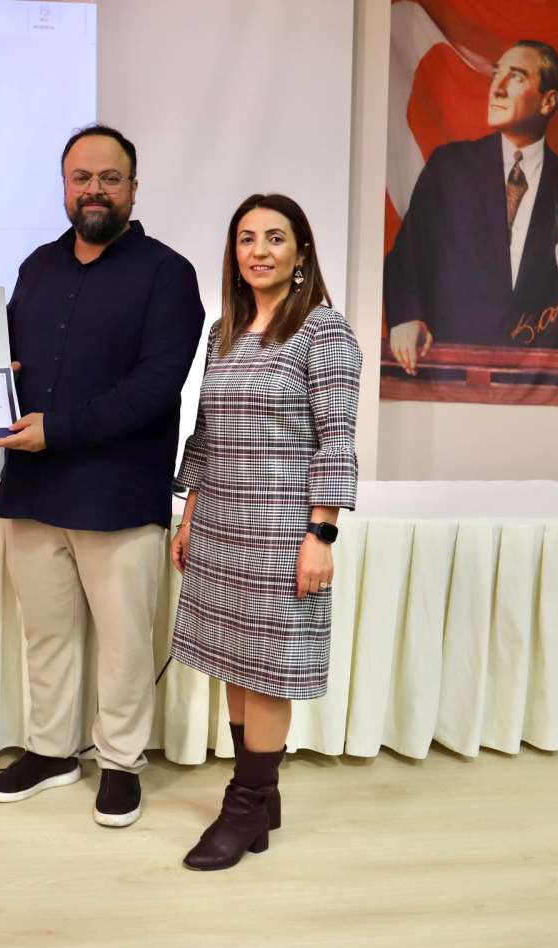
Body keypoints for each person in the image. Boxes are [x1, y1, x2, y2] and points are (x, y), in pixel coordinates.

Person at [0, 125, 205, 827]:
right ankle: (51, 752)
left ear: (133, 189)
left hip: (119, 490)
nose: (94, 190)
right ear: (64, 187)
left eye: (110, 178)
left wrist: (58, 428)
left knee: (124, 641)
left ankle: (120, 762)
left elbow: (156, 387)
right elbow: (5, 361)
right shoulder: (36, 267)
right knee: (46, 633)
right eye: (81, 178)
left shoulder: (168, 274)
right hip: (34, 486)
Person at [169, 194, 361, 871]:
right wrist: (190, 514)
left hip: (284, 528)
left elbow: (337, 439)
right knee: (234, 658)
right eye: (247, 238)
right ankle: (264, 798)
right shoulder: (222, 331)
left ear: (300, 251)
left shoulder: (324, 331)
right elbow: (206, 433)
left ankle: (243, 807)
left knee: (269, 669)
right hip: (221, 523)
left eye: (275, 238)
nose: (259, 251)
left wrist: (322, 535)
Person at [386, 39, 558, 373]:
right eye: (497, 73)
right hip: (451, 372)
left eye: (516, 77)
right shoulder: (449, 168)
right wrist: (407, 317)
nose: (497, 88)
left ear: (548, 101)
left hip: (543, 381)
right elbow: (407, 257)